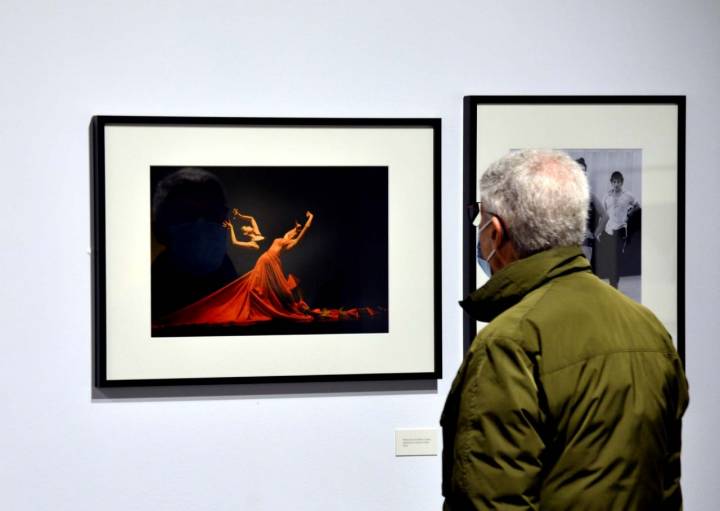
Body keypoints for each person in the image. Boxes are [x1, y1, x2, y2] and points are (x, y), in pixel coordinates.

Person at [442, 149, 688, 510]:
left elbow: (489, 501)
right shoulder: (648, 328)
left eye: (478, 222)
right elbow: (666, 489)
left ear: (495, 233)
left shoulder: (509, 343)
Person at [156, 211, 315, 326]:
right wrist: (232, 229)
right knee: (256, 289)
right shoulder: (254, 242)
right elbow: (236, 242)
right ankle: (261, 308)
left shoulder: (266, 236)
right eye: (245, 229)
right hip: (264, 263)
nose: (246, 228)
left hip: (271, 263)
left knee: (277, 291)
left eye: (246, 228)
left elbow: (255, 219)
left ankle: (282, 306)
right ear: (248, 234)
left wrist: (239, 217)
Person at [595, 170, 640, 288]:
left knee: (617, 260)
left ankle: (615, 283)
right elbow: (603, 215)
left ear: (622, 183)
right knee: (610, 259)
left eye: (618, 182)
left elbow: (637, 206)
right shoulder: (606, 196)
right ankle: (613, 284)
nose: (616, 184)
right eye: (614, 182)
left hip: (620, 231)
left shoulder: (628, 195)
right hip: (608, 231)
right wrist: (599, 232)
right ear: (611, 183)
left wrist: (629, 214)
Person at [574, 157, 607, 265]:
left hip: (585, 241)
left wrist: (595, 234)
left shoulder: (590, 195)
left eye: (583, 171)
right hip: (570, 242)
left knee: (582, 275)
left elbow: (605, 216)